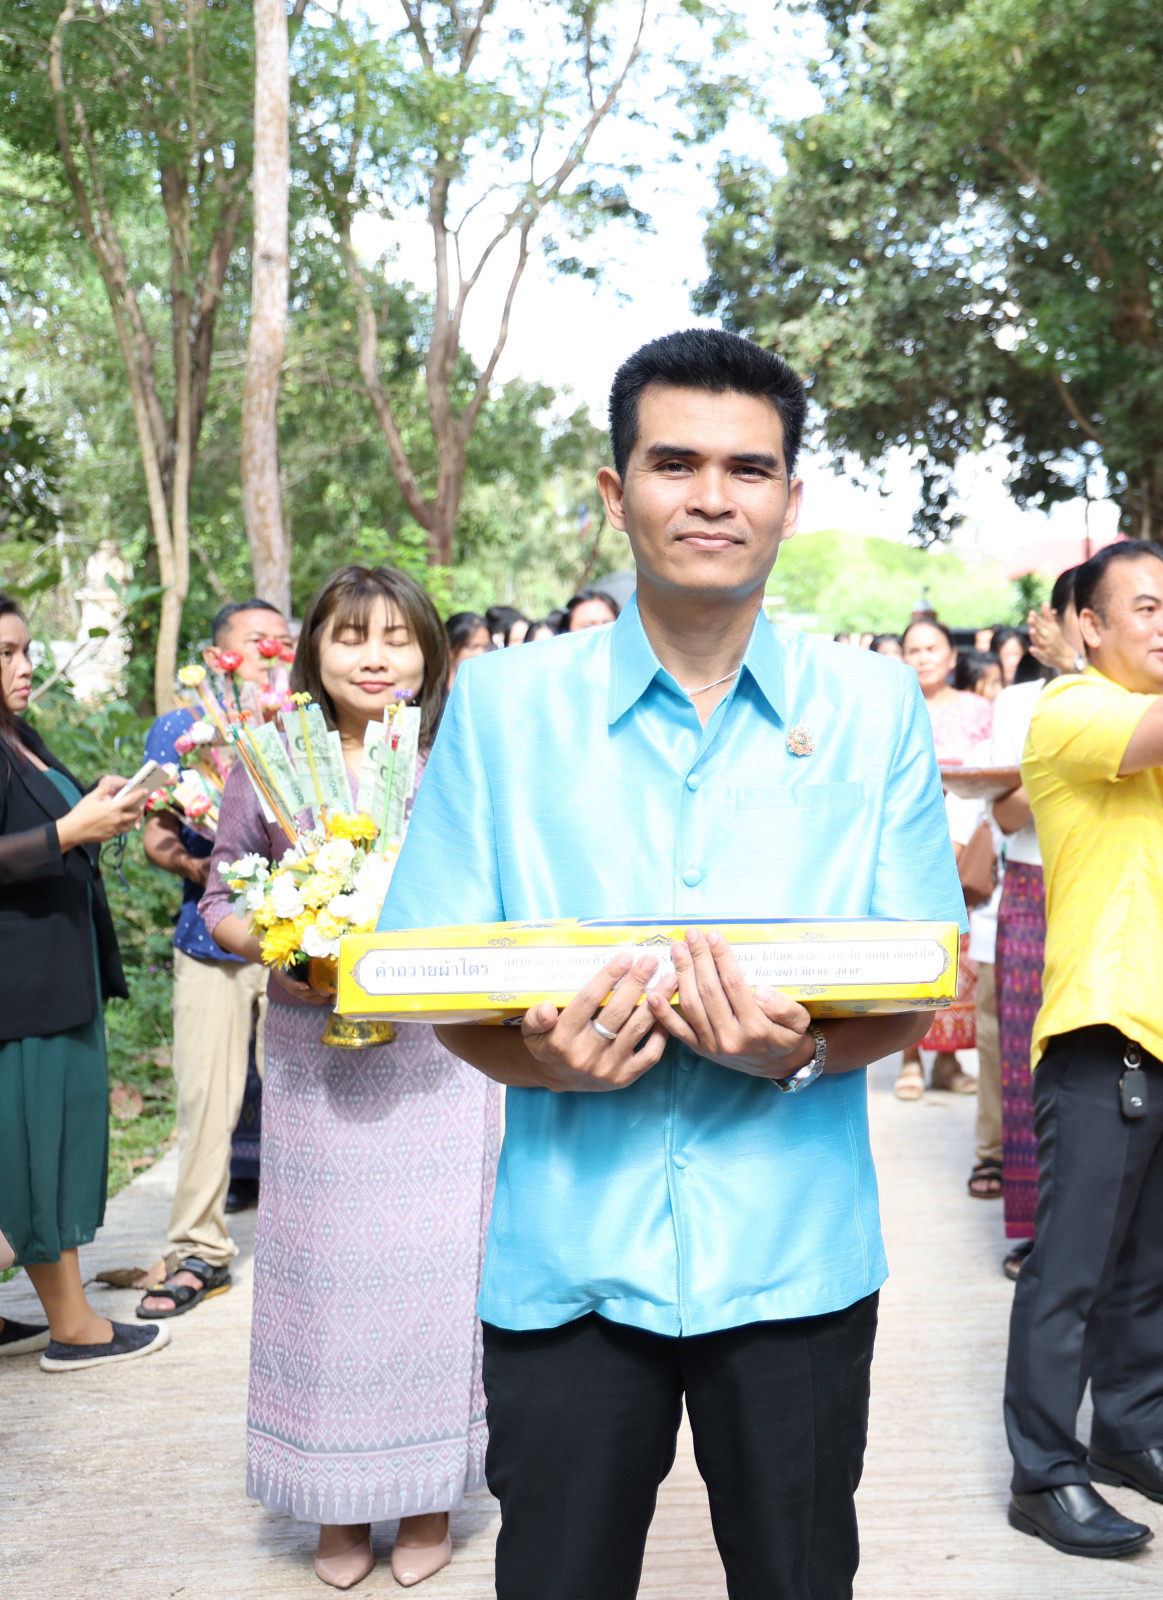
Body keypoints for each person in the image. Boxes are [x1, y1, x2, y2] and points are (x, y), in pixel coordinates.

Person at [378, 329, 960, 1600]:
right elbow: (433, 984)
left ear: (790, 500)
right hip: (568, 1264)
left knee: (801, 1577)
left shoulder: (869, 712)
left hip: (797, 1261)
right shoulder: (502, 707)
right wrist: (543, 1059)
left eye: (749, 469)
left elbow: (914, 984)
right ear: (614, 491)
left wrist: (797, 1052)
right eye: (675, 462)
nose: (712, 496)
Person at [197, 566, 491, 1590]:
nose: (375, 656)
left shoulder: (456, 762)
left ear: (429, 652)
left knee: (434, 1275)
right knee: (321, 1279)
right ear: (315, 651)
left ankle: (423, 1494)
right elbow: (220, 891)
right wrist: (280, 938)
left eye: (398, 638)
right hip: (314, 1047)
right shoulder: (267, 761)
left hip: (441, 1056)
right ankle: (330, 1495)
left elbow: (497, 894)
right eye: (352, 635)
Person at [1001, 539, 1163, 1558]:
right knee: (1072, 1269)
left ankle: (1128, 1434)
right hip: (1104, 1033)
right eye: (1142, 605)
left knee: (1158, 1266)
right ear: (1089, 628)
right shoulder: (1071, 712)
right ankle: (1043, 1471)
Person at [0, 592, 160, 1371]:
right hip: (19, 989)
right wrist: (69, 830)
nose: (25, 666)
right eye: (5, 653)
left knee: (46, 1149)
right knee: (36, 1156)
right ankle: (74, 1328)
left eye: (25, 649)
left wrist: (96, 805)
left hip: (62, 971)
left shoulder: (19, 737)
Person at [133, 597, 292, 1322]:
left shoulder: (303, 718)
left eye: (281, 641)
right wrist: (212, 876)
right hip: (212, 940)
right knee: (206, 1099)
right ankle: (200, 1248)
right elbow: (157, 834)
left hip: (302, 942)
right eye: (255, 642)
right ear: (220, 650)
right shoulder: (182, 728)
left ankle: (310, 1239)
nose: (270, 652)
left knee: (307, 1096)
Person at [980, 566, 1076, 1278]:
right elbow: (1008, 812)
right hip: (1034, 882)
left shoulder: (1156, 699)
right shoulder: (1020, 700)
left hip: (1117, 887)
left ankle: (1100, 1228)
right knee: (1027, 1062)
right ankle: (1041, 1224)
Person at [897, 615, 993, 1101]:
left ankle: (949, 1061)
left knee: (961, 953)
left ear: (952, 657)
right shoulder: (893, 707)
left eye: (932, 648)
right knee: (912, 947)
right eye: (914, 650)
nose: (924, 657)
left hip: (966, 846)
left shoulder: (979, 709)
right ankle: (908, 1057)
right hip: (910, 844)